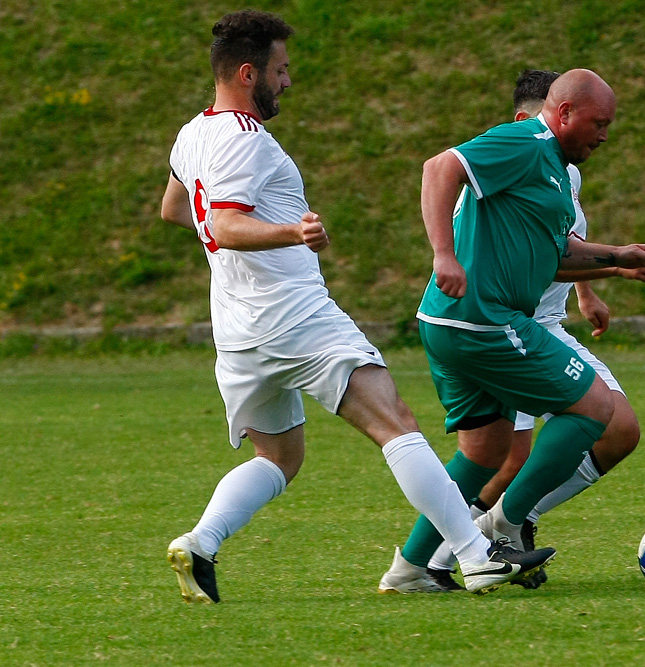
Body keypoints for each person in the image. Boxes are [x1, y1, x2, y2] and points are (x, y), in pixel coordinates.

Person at [159, 9, 553, 602]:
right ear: (247, 73)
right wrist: (291, 232)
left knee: (281, 457)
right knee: (397, 424)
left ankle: (201, 542)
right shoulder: (245, 141)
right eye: (280, 70)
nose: (287, 81)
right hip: (295, 318)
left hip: (237, 331)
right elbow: (224, 222)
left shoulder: (192, 134)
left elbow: (177, 210)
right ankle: (477, 557)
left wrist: (238, 231)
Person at [379, 68, 645, 590]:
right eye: (598, 123)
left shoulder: (557, 169)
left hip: (450, 322)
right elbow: (437, 168)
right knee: (596, 408)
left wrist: (618, 257)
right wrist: (444, 254)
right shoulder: (526, 139)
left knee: (484, 451)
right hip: (483, 319)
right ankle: (502, 526)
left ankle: (409, 569)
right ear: (563, 113)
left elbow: (555, 253)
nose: (604, 134)